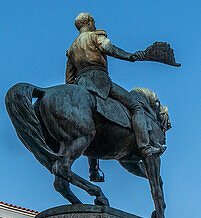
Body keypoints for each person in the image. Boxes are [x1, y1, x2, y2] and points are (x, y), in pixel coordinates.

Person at [65, 12, 164, 169]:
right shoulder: (94, 36)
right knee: (136, 107)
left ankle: (93, 169)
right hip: (100, 80)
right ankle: (146, 147)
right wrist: (130, 56)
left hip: (80, 85)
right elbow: (111, 49)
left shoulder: (71, 50)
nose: (94, 24)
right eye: (93, 22)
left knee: (89, 121)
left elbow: (69, 81)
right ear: (89, 22)